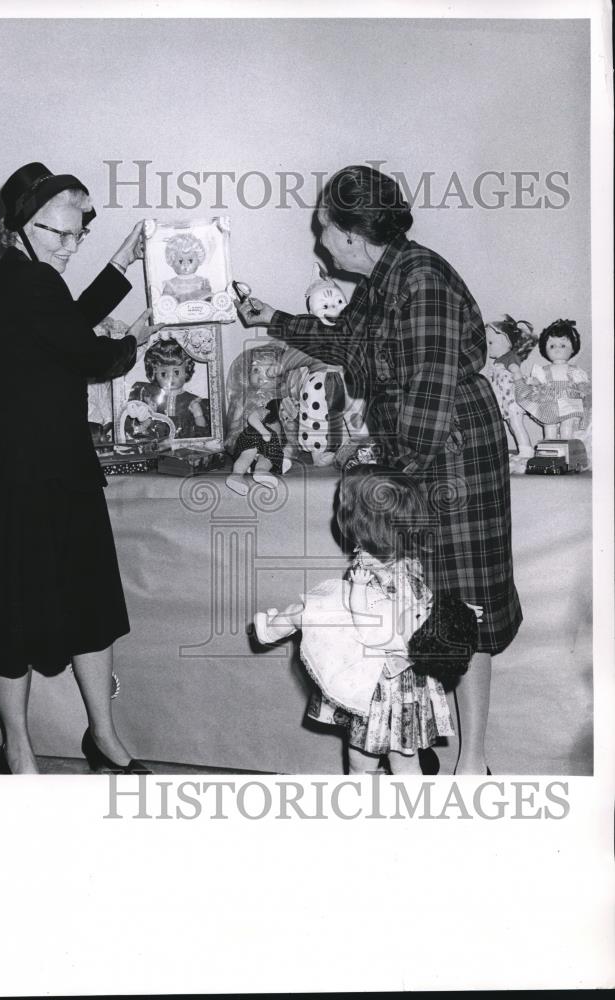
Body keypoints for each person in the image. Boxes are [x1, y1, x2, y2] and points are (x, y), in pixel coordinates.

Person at [237, 164, 522, 775]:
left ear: (351, 232)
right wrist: (275, 319)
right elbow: (353, 347)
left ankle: (472, 763)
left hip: (451, 453)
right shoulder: (385, 276)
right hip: (415, 456)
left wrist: (393, 483)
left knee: (460, 603)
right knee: (411, 608)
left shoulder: (421, 279)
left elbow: (429, 388)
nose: (319, 240)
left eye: (323, 229)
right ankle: (410, 743)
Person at [0, 161, 161, 774]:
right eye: (59, 233)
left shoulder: (29, 279)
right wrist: (139, 334)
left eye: (78, 231)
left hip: (56, 466)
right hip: (32, 475)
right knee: (29, 613)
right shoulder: (21, 282)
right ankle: (21, 751)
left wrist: (122, 262)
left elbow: (67, 325)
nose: (70, 244)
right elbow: (90, 352)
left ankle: (98, 738)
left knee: (83, 603)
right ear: (19, 228)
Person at [255, 465, 479, 775]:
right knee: (405, 761)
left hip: (377, 684)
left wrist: (359, 591)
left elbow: (378, 629)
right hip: (399, 687)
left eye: (343, 505)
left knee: (364, 762)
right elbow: (421, 601)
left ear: (359, 522)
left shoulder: (388, 572)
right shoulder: (406, 562)